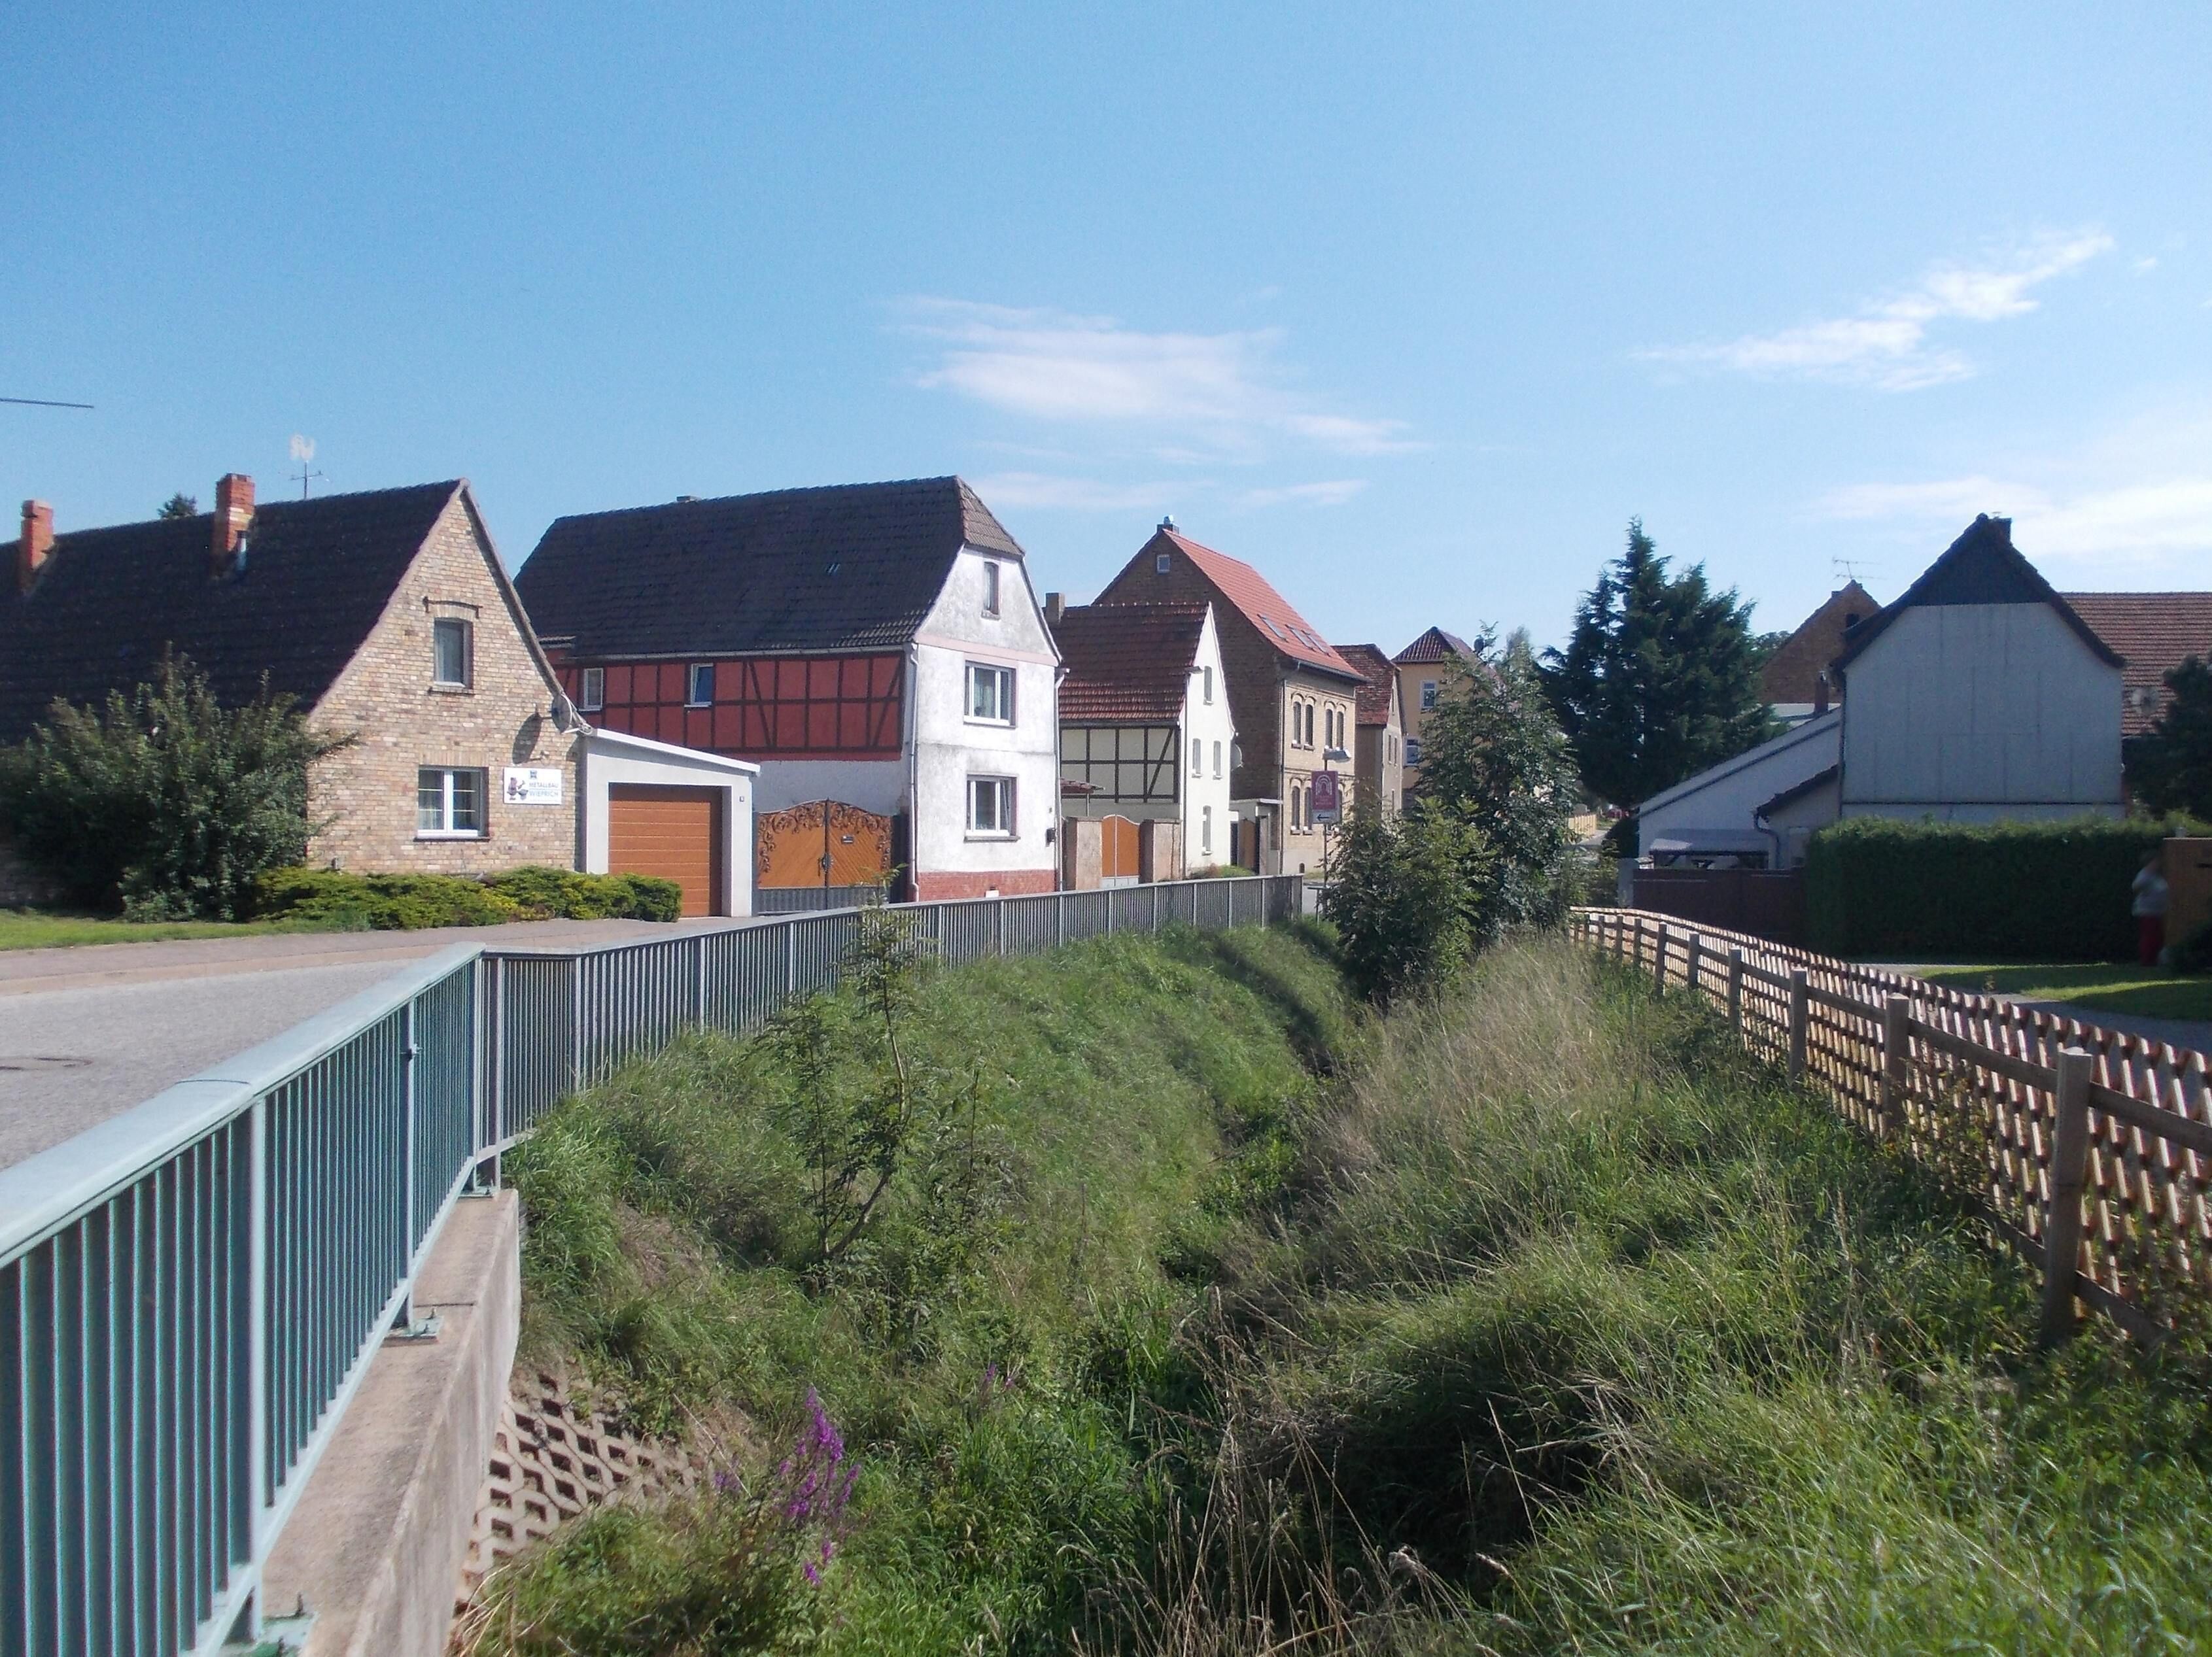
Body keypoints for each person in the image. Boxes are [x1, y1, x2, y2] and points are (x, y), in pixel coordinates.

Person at [2132, 848, 2169, 967]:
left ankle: (2154, 959)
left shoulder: (2156, 875)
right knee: (2150, 936)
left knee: (2157, 936)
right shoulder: (2145, 875)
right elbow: (2136, 887)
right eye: (2155, 862)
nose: (2158, 864)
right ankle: (2147, 960)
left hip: (2159, 911)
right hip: (2147, 911)